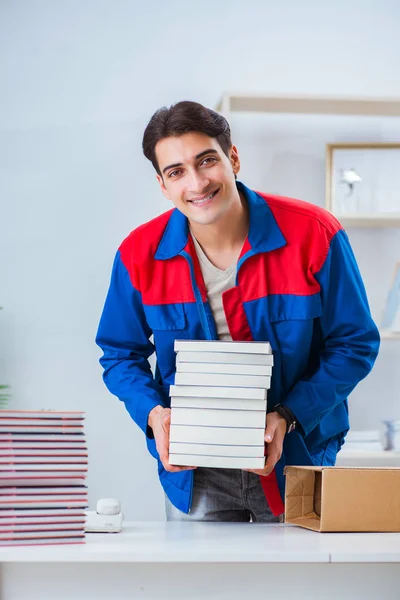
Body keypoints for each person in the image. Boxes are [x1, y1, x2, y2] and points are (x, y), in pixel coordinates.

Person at [96, 101, 380, 522]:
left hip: (298, 458)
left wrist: (287, 416)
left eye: (206, 160)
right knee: (206, 588)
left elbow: (354, 344)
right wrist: (155, 415)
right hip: (197, 473)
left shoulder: (314, 234)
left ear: (233, 158)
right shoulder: (139, 255)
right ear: (162, 184)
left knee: (299, 588)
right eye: (176, 172)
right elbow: (120, 354)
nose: (196, 182)